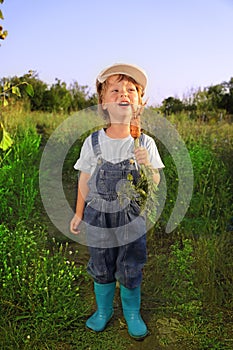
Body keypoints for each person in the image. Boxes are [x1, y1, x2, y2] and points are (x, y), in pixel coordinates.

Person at [70, 63, 164, 340]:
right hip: (98, 215)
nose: (124, 93)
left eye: (131, 90)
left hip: (132, 217)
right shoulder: (93, 141)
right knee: (101, 261)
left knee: (130, 262)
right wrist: (78, 213)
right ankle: (103, 311)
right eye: (115, 89)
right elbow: (85, 179)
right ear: (103, 102)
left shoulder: (144, 143)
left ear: (138, 102)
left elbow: (154, 183)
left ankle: (131, 312)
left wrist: (147, 168)